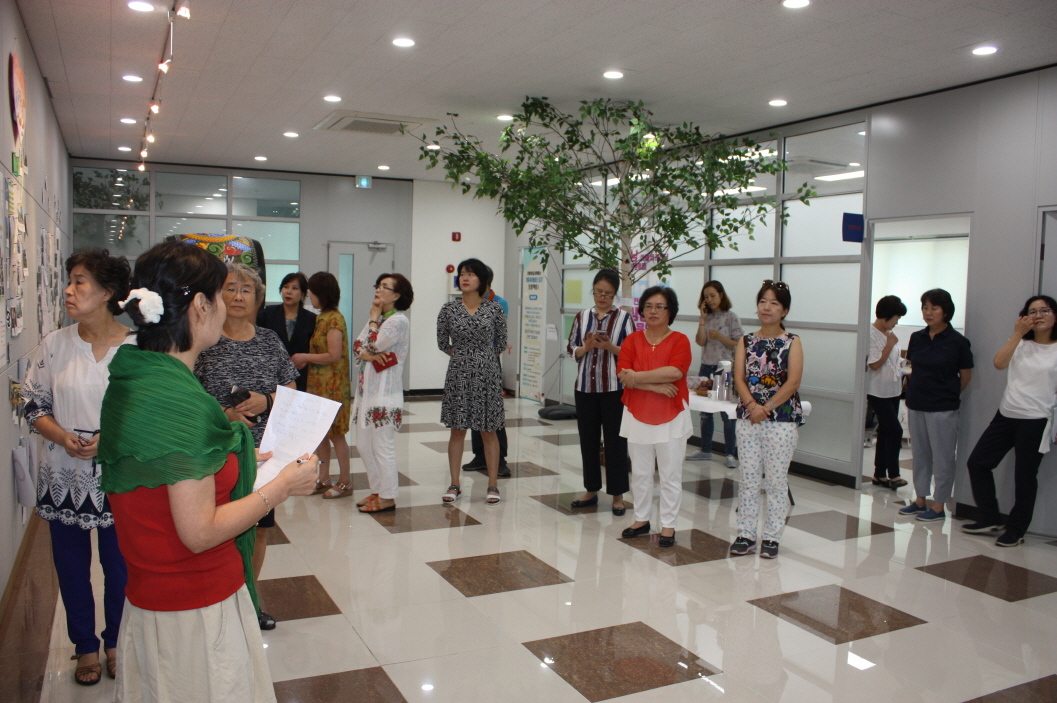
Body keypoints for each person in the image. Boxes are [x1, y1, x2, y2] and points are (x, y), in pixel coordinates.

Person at [98, 241, 318, 702]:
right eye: (221, 293)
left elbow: (171, 472)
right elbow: (198, 531)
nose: (228, 304)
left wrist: (245, 459)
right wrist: (281, 486)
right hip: (194, 606)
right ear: (200, 305)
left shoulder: (135, 376)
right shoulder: (182, 403)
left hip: (152, 594)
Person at [22, 249, 132, 685]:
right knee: (70, 567)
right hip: (63, 476)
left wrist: (110, 439)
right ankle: (84, 645)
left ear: (107, 292)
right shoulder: (55, 344)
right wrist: (60, 435)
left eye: (79, 282)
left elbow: (147, 413)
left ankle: (116, 642)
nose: (68, 290)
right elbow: (33, 404)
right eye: (69, 281)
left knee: (119, 567)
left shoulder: (138, 349)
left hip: (118, 477)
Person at [194, 263, 299, 631]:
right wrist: (223, 414)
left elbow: (291, 391)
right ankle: (217, 605)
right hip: (215, 451)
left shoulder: (269, 340)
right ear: (216, 295)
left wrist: (265, 400)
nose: (238, 296)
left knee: (258, 528)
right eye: (230, 288)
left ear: (257, 298)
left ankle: (249, 601)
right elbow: (189, 394)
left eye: (246, 290)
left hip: (264, 452)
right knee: (217, 529)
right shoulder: (204, 340)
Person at [962, 295, 1057, 547]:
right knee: (978, 463)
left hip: (1036, 420)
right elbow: (999, 363)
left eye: (1045, 310)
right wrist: (1017, 334)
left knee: (1024, 478)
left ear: (1055, 316)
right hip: (1006, 415)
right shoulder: (1020, 343)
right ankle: (990, 517)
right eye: (1032, 312)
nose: (1038, 315)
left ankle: (1016, 530)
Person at [729, 280, 804, 560]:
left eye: (774, 303)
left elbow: (793, 382)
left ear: (784, 310)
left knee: (775, 482)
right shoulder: (746, 341)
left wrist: (767, 407)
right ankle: (746, 534)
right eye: (763, 301)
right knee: (748, 480)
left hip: (781, 420)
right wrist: (752, 406)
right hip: (749, 418)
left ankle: (772, 537)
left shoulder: (792, 342)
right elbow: (739, 377)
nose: (767, 307)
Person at [617, 286, 692, 547]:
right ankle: (641, 519)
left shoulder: (680, 340)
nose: (653, 311)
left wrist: (637, 378)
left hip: (671, 414)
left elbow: (675, 372)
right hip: (637, 412)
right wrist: (653, 386)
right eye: (648, 306)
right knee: (640, 472)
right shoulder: (632, 340)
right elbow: (622, 374)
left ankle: (668, 525)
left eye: (660, 306)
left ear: (670, 311)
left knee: (670, 474)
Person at [898, 288, 973, 522]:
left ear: (946, 311)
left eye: (934, 308)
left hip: (942, 407)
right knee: (920, 454)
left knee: (943, 457)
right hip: (917, 403)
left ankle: (939, 505)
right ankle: (920, 499)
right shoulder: (917, 337)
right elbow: (914, 368)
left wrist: (946, 394)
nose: (928, 313)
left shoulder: (958, 342)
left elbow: (965, 377)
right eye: (925, 308)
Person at [437, 258, 507, 504]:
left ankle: (492, 485)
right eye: (462, 273)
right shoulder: (448, 309)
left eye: (471, 274)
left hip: (487, 374)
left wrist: (481, 358)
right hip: (458, 374)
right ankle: (454, 484)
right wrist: (463, 357)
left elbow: (501, 342)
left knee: (488, 430)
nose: (465, 277)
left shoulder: (494, 309)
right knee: (457, 430)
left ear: (482, 279)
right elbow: (442, 342)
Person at [567, 269, 635, 515]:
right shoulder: (582, 316)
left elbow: (632, 353)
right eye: (598, 292)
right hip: (585, 388)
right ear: (593, 291)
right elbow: (571, 349)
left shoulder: (624, 319)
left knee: (616, 443)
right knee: (588, 441)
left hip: (614, 389)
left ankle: (618, 495)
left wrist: (610, 347)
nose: (602, 297)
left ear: (615, 294)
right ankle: (591, 489)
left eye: (607, 294)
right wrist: (586, 347)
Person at [351, 273, 414, 512]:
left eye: (384, 287)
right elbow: (357, 346)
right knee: (363, 445)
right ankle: (377, 490)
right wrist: (367, 353)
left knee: (382, 446)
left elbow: (372, 345)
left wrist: (372, 322)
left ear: (396, 295)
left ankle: (388, 496)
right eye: (378, 285)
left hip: (384, 394)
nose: (378, 289)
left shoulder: (398, 321)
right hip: (366, 393)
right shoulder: (378, 319)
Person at [293, 272, 353, 499]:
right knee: (321, 434)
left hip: (333, 386)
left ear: (323, 294)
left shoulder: (334, 319)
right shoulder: (322, 317)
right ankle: (324, 478)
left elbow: (333, 355)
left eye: (312, 293)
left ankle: (345, 481)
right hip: (319, 385)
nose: (310, 297)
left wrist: (305, 357)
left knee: (336, 435)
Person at [687, 280, 743, 467]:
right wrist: (702, 319)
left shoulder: (731, 317)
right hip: (706, 367)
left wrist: (719, 336)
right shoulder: (706, 317)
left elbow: (739, 344)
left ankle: (730, 454)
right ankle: (705, 450)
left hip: (724, 368)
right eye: (706, 297)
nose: (710, 300)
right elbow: (700, 341)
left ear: (721, 295)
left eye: (712, 295)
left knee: (727, 413)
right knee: (705, 412)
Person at [463, 282, 511, 477]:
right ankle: (480, 456)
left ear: (486, 282)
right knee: (475, 409)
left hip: (490, 359)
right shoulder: (468, 303)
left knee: (492, 411)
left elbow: (497, 335)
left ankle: (500, 460)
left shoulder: (499, 303)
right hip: (470, 361)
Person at [867, 295, 908, 489]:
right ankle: (894, 474)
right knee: (895, 430)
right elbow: (874, 364)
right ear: (886, 316)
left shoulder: (890, 333)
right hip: (877, 390)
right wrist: (890, 344)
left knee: (885, 430)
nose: (897, 322)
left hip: (893, 389)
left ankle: (879, 474)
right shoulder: (870, 333)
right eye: (896, 318)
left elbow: (893, 359)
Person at [257, 272, 316, 392]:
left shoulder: (311, 319)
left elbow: (315, 348)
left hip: (300, 375)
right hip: (272, 373)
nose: (289, 291)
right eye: (286, 287)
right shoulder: (268, 313)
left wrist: (306, 358)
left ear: (302, 294)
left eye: (294, 288)